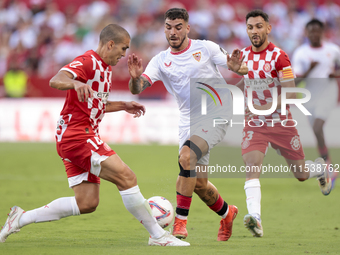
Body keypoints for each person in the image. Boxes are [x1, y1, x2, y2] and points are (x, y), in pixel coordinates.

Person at [0, 24, 189, 247]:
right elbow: (56, 79)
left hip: (73, 137)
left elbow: (94, 103)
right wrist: (74, 81)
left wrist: (122, 105)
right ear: (110, 44)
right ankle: (157, 236)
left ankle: (20, 218)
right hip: (78, 136)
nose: (123, 54)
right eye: (123, 48)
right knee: (127, 177)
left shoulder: (105, 68)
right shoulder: (88, 61)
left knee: (87, 202)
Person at [128, 8, 247, 241]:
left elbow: (236, 67)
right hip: (188, 120)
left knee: (186, 157)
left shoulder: (205, 48)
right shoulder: (161, 60)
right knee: (199, 184)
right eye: (168, 27)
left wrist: (235, 66)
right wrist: (134, 78)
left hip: (217, 111)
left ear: (187, 28)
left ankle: (180, 224)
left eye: (178, 27)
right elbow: (138, 88)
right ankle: (227, 213)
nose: (173, 32)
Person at [237, 10, 332, 238]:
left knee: (300, 174)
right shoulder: (242, 56)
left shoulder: (280, 57)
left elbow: (290, 92)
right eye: (250, 27)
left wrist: (264, 106)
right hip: (255, 124)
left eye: (259, 26)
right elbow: (244, 82)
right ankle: (256, 219)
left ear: (268, 28)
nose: (255, 31)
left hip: (281, 123)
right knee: (252, 169)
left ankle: (319, 168)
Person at [292, 19, 340, 189]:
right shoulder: (301, 53)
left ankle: (329, 166)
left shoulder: (333, 50)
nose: (314, 34)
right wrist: (309, 70)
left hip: (328, 93)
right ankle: (330, 166)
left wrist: (336, 74)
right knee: (316, 130)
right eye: (310, 31)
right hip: (310, 98)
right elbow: (295, 82)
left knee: (318, 128)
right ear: (306, 33)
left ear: (322, 32)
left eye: (317, 31)